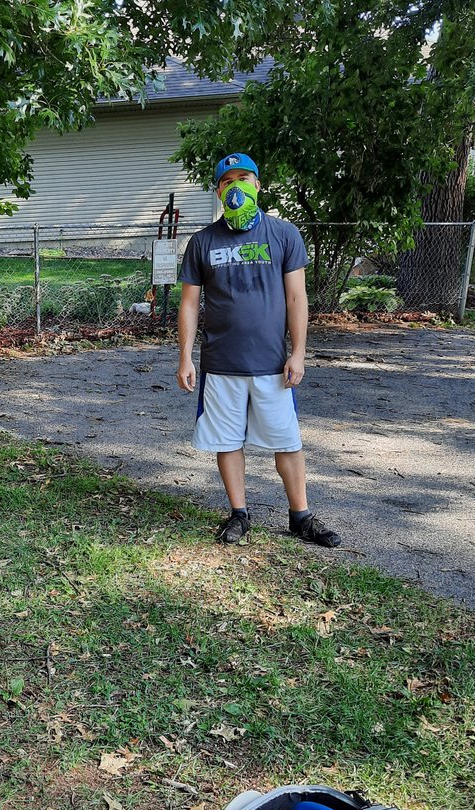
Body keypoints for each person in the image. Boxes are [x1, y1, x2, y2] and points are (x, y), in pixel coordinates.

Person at [176, 152, 341, 549]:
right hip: (221, 364)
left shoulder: (283, 234)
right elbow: (189, 304)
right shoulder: (202, 242)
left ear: (258, 185)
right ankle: (239, 514)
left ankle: (300, 517)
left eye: (243, 179)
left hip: (272, 363)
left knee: (287, 440)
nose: (236, 187)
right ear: (219, 191)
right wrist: (185, 356)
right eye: (227, 181)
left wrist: (298, 352)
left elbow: (297, 298)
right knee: (227, 440)